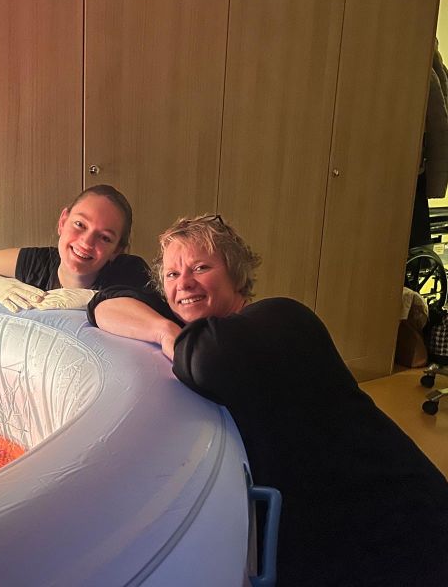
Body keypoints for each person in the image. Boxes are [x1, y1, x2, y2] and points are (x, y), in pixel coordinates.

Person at [87, 214, 448, 587]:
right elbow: (104, 303)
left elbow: (208, 359)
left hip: (401, 526)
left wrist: (167, 334)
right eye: (172, 275)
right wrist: (164, 327)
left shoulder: (282, 318)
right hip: (339, 536)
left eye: (201, 267)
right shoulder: (205, 328)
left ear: (236, 274)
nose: (185, 283)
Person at [0, 184, 152, 312]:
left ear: (117, 250)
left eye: (105, 238)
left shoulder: (131, 273)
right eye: (80, 224)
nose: (86, 242)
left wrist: (91, 299)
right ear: (63, 221)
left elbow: (155, 312)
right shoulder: (36, 262)